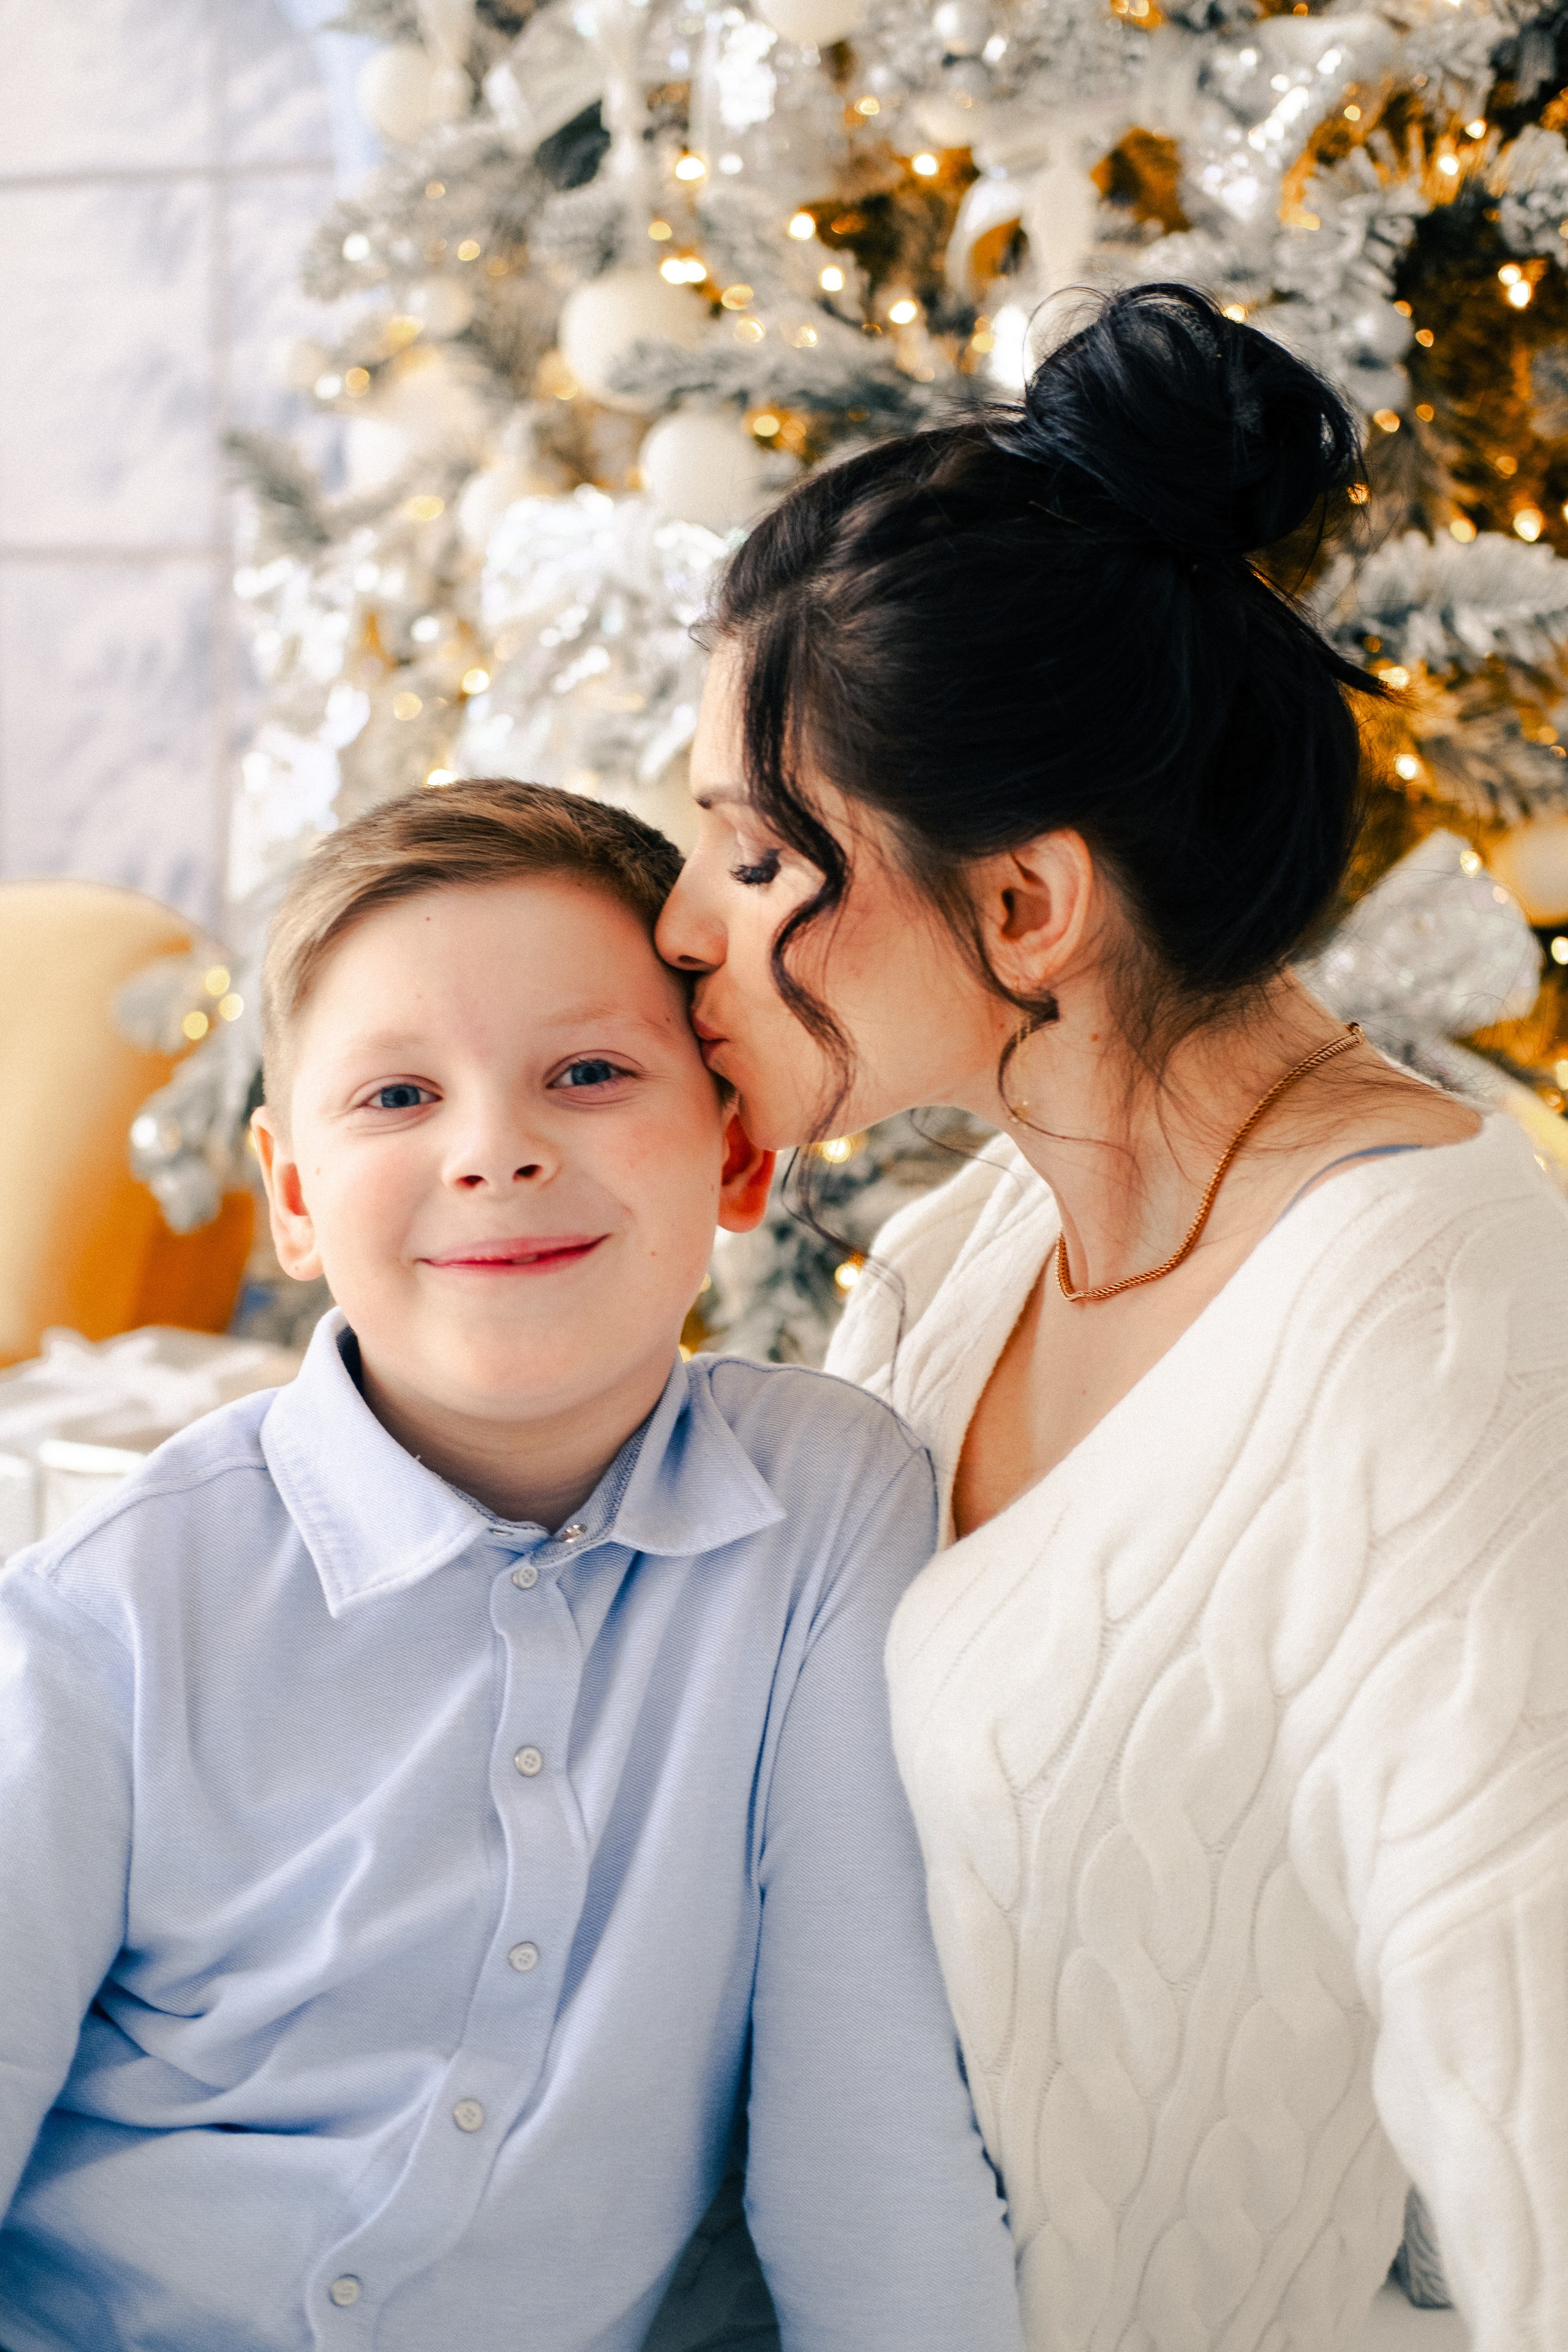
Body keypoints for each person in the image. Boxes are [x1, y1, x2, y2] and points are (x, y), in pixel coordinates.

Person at [656, 284, 1568, 2351]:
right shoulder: (961, 1262)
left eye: (750, 852)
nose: (683, 929)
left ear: (1026, 907)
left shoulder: (1427, 1325)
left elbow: (1541, 2120)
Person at [0, 780, 1023, 2352]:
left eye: (589, 1073)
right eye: (398, 1098)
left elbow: (864, 2110)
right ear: (289, 1193)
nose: (495, 1152)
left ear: (737, 1160)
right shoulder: (106, 1619)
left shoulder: (823, 1510)